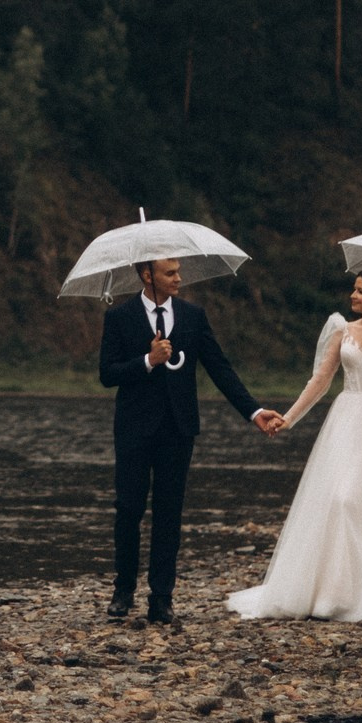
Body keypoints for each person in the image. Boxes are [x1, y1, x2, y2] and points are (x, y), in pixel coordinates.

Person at [228, 267, 362, 623]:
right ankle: (328, 591)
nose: (353, 295)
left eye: (360, 291)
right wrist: (289, 417)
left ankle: (359, 593)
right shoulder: (343, 330)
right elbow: (320, 380)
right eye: (354, 289)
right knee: (338, 498)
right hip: (347, 418)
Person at [98, 257, 283, 625]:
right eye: (170, 272)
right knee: (129, 509)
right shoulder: (119, 317)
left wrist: (253, 411)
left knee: (169, 514)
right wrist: (148, 361)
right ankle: (123, 591)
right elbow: (107, 374)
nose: (179, 278)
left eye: (178, 271)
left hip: (178, 430)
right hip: (133, 429)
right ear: (147, 275)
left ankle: (162, 598)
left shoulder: (193, 316)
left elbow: (219, 368)